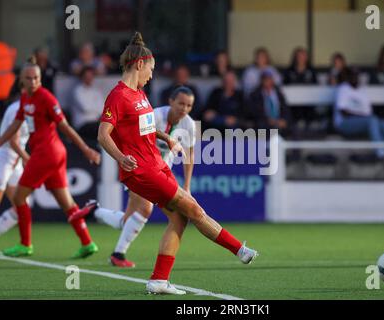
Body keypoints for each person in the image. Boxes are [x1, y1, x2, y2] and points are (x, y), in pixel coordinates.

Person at [89, 32, 258, 295]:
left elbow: (145, 129)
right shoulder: (118, 96)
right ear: (139, 64)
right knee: (194, 210)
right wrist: (121, 158)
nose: (152, 75)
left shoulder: (140, 94)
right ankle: (240, 249)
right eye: (151, 69)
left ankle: (159, 280)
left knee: (180, 218)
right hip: (143, 170)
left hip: (157, 164)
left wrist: (166, 137)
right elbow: (102, 134)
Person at [70, 86, 197, 268]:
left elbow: (189, 155)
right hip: (138, 166)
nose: (184, 109)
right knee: (145, 209)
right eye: (181, 103)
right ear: (171, 102)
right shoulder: (155, 115)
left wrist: (187, 185)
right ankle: (118, 254)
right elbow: (135, 136)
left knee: (127, 221)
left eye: (189, 105)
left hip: (159, 172)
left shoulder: (189, 125)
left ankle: (95, 212)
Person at [0, 56, 101, 258]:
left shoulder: (46, 98)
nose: (33, 82)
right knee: (66, 202)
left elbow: (65, 127)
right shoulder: (25, 100)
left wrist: (85, 149)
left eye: (36, 78)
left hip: (47, 153)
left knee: (19, 197)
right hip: (52, 154)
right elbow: (15, 126)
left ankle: (25, 244)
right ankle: (87, 242)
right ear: (22, 80)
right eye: (29, 78)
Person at [334, 67, 384, 158]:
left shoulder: (362, 91)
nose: (355, 77)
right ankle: (379, 150)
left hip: (362, 122)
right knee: (372, 120)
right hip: (344, 123)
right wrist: (362, 117)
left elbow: (368, 112)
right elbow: (343, 112)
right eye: (352, 75)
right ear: (348, 77)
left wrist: (365, 117)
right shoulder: (344, 88)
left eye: (357, 75)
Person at [0, 91, 29, 237]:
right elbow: (13, 141)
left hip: (15, 160)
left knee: (21, 206)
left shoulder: (30, 109)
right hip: (3, 158)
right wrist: (27, 158)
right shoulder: (17, 109)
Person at [247, 70, 294, 139]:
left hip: (279, 121)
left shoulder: (278, 94)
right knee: (263, 127)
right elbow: (255, 112)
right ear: (261, 80)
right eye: (265, 79)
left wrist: (284, 120)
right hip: (264, 123)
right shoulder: (255, 95)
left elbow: (286, 109)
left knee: (292, 127)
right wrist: (270, 121)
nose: (267, 81)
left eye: (269, 79)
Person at [71, 66, 105, 140]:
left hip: (96, 122)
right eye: (86, 76)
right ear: (82, 77)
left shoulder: (96, 91)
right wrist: (96, 109)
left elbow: (102, 109)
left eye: (91, 76)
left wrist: (92, 109)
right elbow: (85, 108)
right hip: (82, 124)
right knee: (103, 130)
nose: (88, 78)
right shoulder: (77, 91)